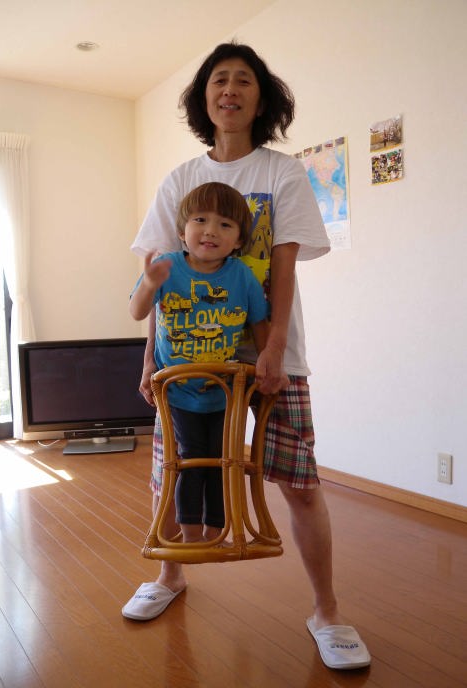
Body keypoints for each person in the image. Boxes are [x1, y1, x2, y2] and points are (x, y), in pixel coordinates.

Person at [122, 41, 371, 671]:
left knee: (300, 481)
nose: (229, 90)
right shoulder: (179, 179)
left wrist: (275, 349)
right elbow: (159, 279)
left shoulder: (282, 173)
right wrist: (150, 360)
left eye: (243, 81)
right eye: (218, 81)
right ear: (203, 98)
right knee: (173, 469)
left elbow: (283, 268)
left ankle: (327, 611)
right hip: (185, 361)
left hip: (268, 357)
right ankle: (170, 576)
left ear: (262, 100)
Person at [129, 181, 270, 543]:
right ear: (182, 231)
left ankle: (216, 530)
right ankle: (191, 533)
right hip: (178, 392)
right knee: (189, 458)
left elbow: (260, 323)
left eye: (225, 224)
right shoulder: (166, 267)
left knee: (224, 460)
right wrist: (148, 284)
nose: (210, 231)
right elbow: (137, 312)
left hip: (224, 392)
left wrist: (270, 362)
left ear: (238, 240)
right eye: (201, 220)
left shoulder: (241, 275)